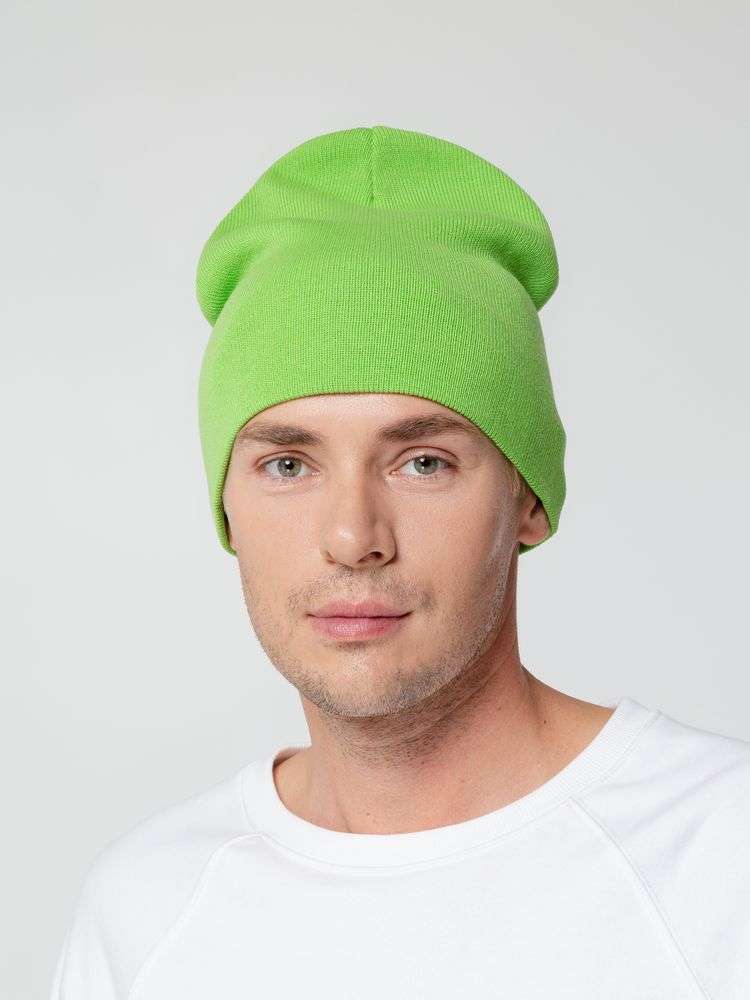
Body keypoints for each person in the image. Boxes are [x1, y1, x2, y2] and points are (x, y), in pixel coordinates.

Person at [50, 125, 749, 999]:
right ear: (227, 507)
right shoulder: (147, 907)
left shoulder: (720, 858)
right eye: (288, 465)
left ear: (529, 499)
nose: (354, 537)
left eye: (423, 462)